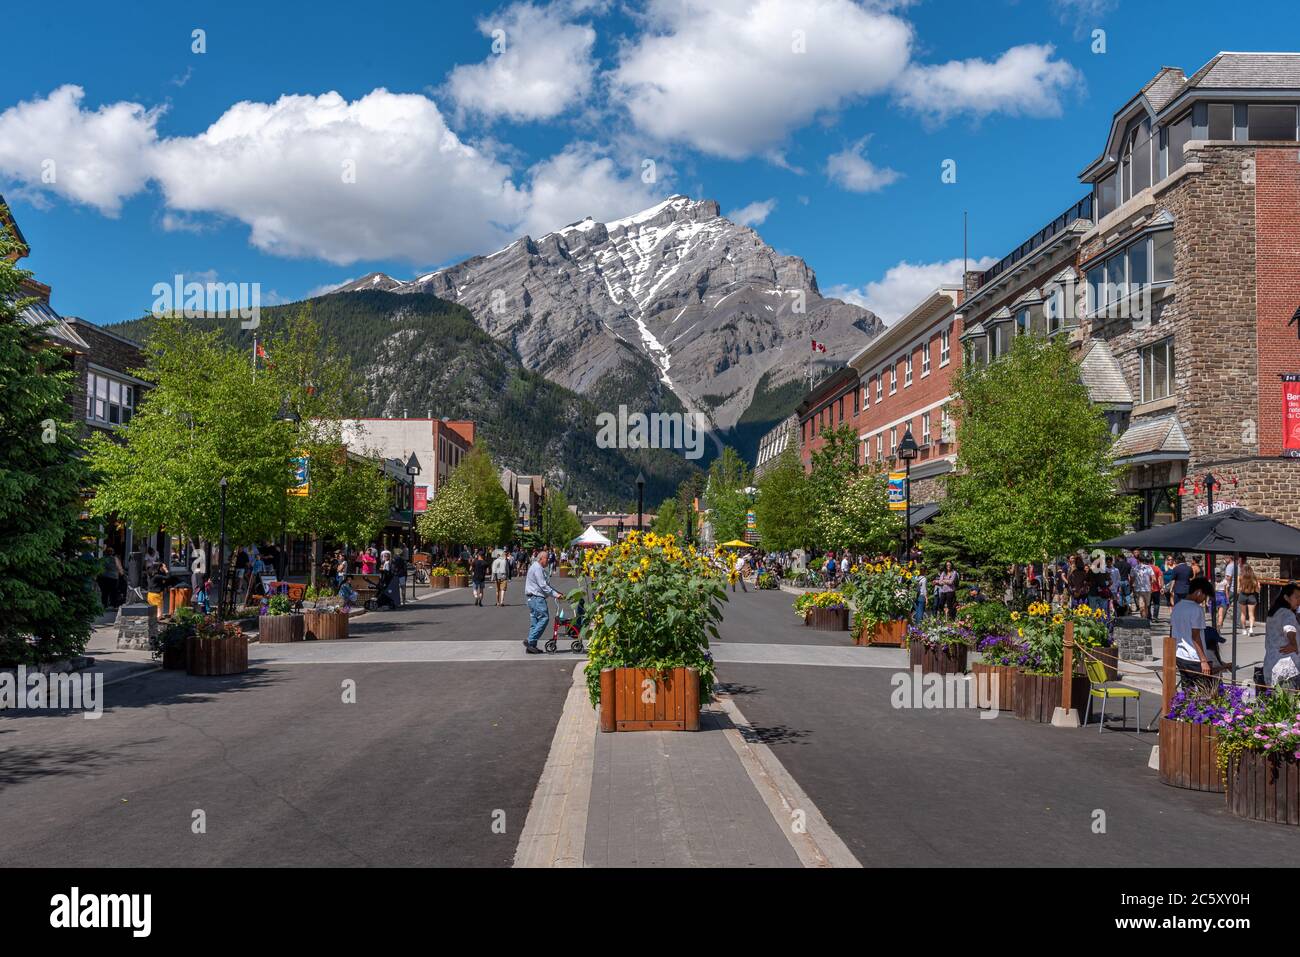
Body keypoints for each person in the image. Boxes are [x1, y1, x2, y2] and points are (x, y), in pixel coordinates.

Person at [1170, 577, 1217, 689]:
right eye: (1205, 596)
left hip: (1179, 655)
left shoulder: (1177, 607)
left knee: (1187, 690)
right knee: (1205, 691)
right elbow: (1195, 637)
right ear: (1199, 592)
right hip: (1194, 657)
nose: (1204, 599)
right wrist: (1203, 660)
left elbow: (1172, 632)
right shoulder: (1197, 610)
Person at [523, 549, 562, 654]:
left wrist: (556, 593)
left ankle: (531, 646)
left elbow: (545, 585)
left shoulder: (536, 567)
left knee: (535, 622)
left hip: (532, 598)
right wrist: (555, 594)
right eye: (547, 558)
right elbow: (543, 585)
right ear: (541, 559)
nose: (548, 560)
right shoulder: (537, 568)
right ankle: (530, 640)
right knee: (544, 618)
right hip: (537, 598)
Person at [1262, 584, 1300, 687]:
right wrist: (1293, 643)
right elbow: (1289, 629)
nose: (1299, 600)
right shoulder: (1287, 614)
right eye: (1296, 597)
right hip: (1287, 669)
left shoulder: (1273, 614)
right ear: (1286, 597)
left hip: (1271, 665)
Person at [1239, 562, 1261, 635]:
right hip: (1252, 596)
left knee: (1243, 614)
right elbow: (1258, 590)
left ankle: (1244, 629)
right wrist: (1258, 586)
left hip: (1242, 595)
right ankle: (1251, 629)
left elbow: (1238, 589)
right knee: (1251, 614)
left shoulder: (1240, 577)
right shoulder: (1254, 578)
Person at [1130, 555, 1152, 621]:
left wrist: (1131, 585)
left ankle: (1144, 619)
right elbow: (1153, 579)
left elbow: (1132, 579)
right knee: (1143, 606)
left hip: (1143, 589)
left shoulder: (1135, 568)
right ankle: (1144, 620)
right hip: (1142, 589)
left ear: (1138, 560)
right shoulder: (1148, 568)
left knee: (1144, 606)